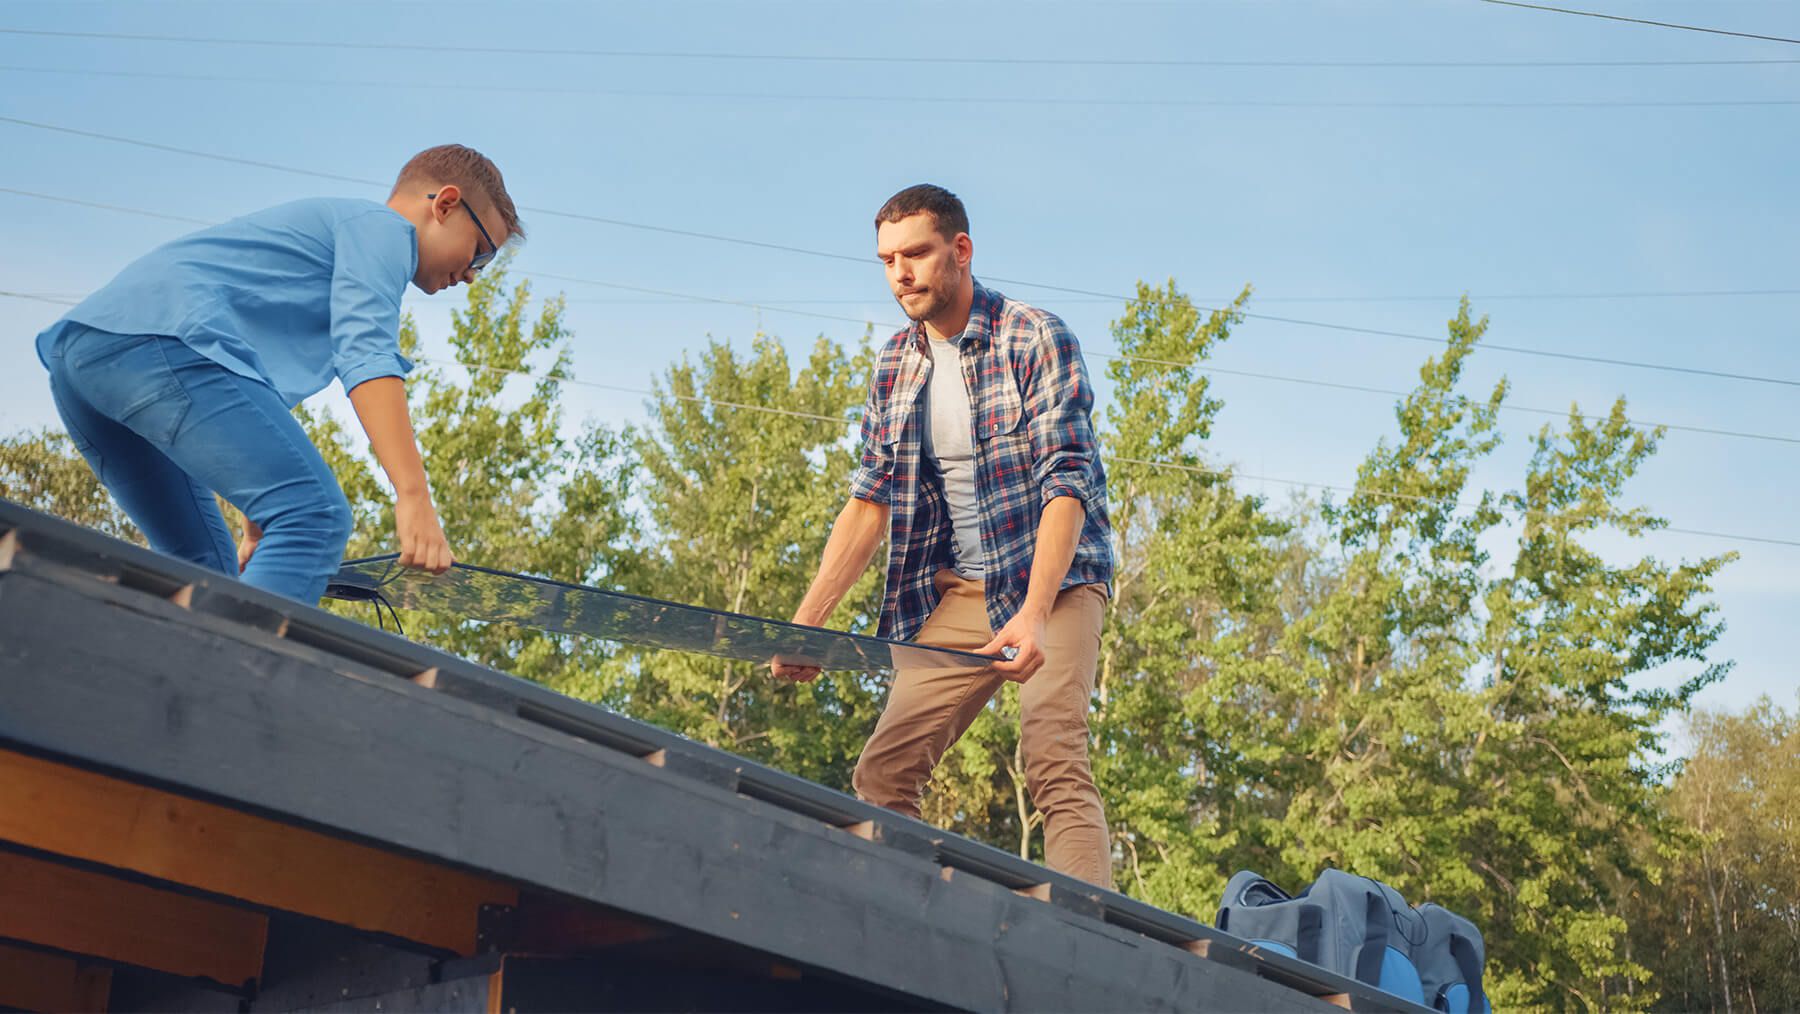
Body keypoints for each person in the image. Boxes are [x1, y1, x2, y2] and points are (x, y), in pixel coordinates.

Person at [773, 184, 1116, 887]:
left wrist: (1032, 611)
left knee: (1053, 755)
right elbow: (869, 501)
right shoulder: (896, 364)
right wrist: (808, 622)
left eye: (917, 253)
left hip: (1054, 582)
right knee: (884, 773)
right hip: (958, 589)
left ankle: (1092, 944)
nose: (901, 272)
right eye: (887, 259)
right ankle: (913, 933)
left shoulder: (1033, 336)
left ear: (960, 250)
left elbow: (1069, 480)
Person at [34, 144, 522, 604]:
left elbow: (251, 400)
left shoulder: (333, 248)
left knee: (202, 567)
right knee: (315, 516)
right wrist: (414, 497)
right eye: (481, 252)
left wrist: (255, 525)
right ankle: (226, 691)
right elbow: (367, 354)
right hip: (159, 344)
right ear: (445, 205)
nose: (474, 274)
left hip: (85, 359)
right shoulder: (382, 230)